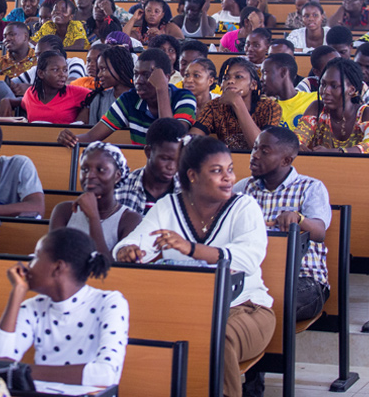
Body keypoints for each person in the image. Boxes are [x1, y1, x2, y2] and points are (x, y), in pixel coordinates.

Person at [114, 136, 274, 397]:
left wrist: (190, 248)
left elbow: (248, 258)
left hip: (244, 309)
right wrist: (127, 250)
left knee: (214, 339)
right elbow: (139, 239)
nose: (228, 178)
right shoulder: (168, 206)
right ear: (192, 175)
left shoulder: (244, 206)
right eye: (216, 171)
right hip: (181, 309)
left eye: (230, 169)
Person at [235, 126, 332, 397]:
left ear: (286, 160)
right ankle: (245, 379)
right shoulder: (243, 189)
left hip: (306, 283)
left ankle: (252, 382)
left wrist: (299, 219)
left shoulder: (310, 188)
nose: (254, 155)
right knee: (239, 305)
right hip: (254, 280)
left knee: (263, 306)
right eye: (254, 147)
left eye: (264, 151)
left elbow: (320, 231)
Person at [0, 228, 128, 385]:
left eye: (35, 258)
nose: (28, 266)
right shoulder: (33, 307)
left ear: (58, 268)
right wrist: (17, 293)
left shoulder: (109, 302)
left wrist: (22, 371)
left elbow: (106, 374)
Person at [58, 49, 197, 147]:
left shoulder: (184, 98)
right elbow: (91, 137)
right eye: (136, 74)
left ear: (166, 77)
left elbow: (171, 140)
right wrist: (71, 139)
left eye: (146, 75)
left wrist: (161, 90)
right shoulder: (129, 99)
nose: (138, 80)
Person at [49, 143, 142, 254]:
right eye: (85, 169)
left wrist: (93, 216)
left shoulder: (130, 219)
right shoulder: (64, 211)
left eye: (101, 170)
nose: (89, 175)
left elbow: (106, 267)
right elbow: (52, 257)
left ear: (117, 176)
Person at [191, 56, 282, 150]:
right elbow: (191, 140)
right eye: (225, 78)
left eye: (238, 77)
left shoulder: (270, 107)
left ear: (253, 84)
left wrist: (237, 103)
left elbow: (261, 149)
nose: (230, 81)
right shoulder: (214, 107)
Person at [295, 57, 369, 155]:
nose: (325, 91)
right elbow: (298, 138)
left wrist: (332, 152)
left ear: (351, 90)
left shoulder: (367, 113)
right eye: (323, 84)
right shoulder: (316, 108)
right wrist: (298, 145)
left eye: (334, 86)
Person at [114, 119, 184, 215]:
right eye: (165, 158)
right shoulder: (121, 188)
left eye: (178, 160)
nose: (171, 167)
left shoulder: (187, 192)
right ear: (148, 152)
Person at [15, 50, 92, 123]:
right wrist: (8, 101)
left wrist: (86, 110)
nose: (62, 75)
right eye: (55, 70)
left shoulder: (75, 92)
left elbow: (98, 97)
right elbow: (22, 103)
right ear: (41, 73)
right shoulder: (30, 93)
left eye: (65, 70)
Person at [261, 53, 317, 131]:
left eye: (265, 73)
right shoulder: (266, 107)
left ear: (283, 72)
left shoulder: (315, 99)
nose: (261, 79)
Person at [84, 44, 135, 126]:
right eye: (99, 70)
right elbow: (93, 134)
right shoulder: (99, 99)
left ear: (120, 68)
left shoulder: (140, 98)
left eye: (103, 69)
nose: (99, 75)